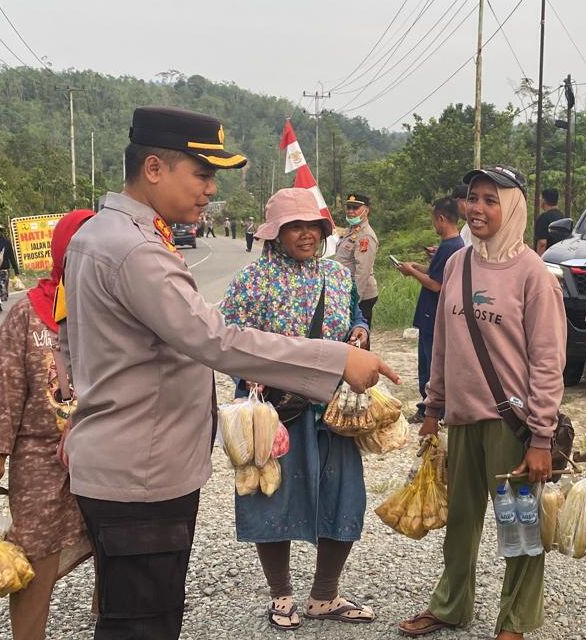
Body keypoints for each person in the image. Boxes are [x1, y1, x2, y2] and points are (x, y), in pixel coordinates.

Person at [60, 106, 397, 640]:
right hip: (141, 470)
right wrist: (336, 360)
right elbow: (216, 338)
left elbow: (72, 343)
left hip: (129, 458)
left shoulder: (102, 235)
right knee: (143, 621)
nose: (211, 190)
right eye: (202, 173)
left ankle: (322, 591)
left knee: (139, 613)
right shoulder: (135, 250)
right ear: (154, 168)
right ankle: (284, 591)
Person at [399, 165, 564, 640]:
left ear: (512, 207)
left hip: (511, 424)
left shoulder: (533, 273)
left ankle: (515, 620)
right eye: (473, 198)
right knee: (461, 521)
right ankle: (451, 606)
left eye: (491, 200)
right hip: (462, 418)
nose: (477, 209)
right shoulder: (458, 264)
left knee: (517, 525)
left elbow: (548, 361)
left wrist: (541, 435)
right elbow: (445, 344)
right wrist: (432, 409)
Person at [219, 188, 376, 631]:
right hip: (277, 415)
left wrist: (360, 334)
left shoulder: (338, 276)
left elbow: (355, 318)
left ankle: (324, 595)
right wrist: (251, 374)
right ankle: (281, 595)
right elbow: (225, 342)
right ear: (276, 233)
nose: (306, 235)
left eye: (314, 226)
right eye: (295, 226)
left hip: (332, 413)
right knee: (271, 497)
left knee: (344, 494)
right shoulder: (254, 280)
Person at [0, 209, 96, 640]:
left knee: (113, 541)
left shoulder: (120, 309)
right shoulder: (27, 314)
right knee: (33, 546)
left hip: (105, 449)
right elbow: (4, 387)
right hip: (39, 454)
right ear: (62, 252)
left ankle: (111, 622)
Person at [397, 197, 465, 424]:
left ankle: (430, 409)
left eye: (434, 219)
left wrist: (411, 273)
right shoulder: (454, 246)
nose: (434, 224)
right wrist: (418, 267)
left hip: (433, 315)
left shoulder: (450, 246)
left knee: (430, 364)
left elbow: (436, 284)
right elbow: (437, 273)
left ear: (442, 219)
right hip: (434, 315)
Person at [333, 193, 379, 325]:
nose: (351, 212)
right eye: (349, 208)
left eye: (355, 208)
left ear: (366, 210)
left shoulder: (365, 236)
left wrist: (354, 300)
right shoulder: (351, 231)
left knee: (359, 336)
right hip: (347, 290)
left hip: (360, 295)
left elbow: (363, 271)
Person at [533, 188, 564, 254]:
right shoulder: (562, 217)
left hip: (546, 258)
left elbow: (542, 243)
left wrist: (539, 260)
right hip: (558, 257)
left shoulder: (544, 218)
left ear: (544, 201)